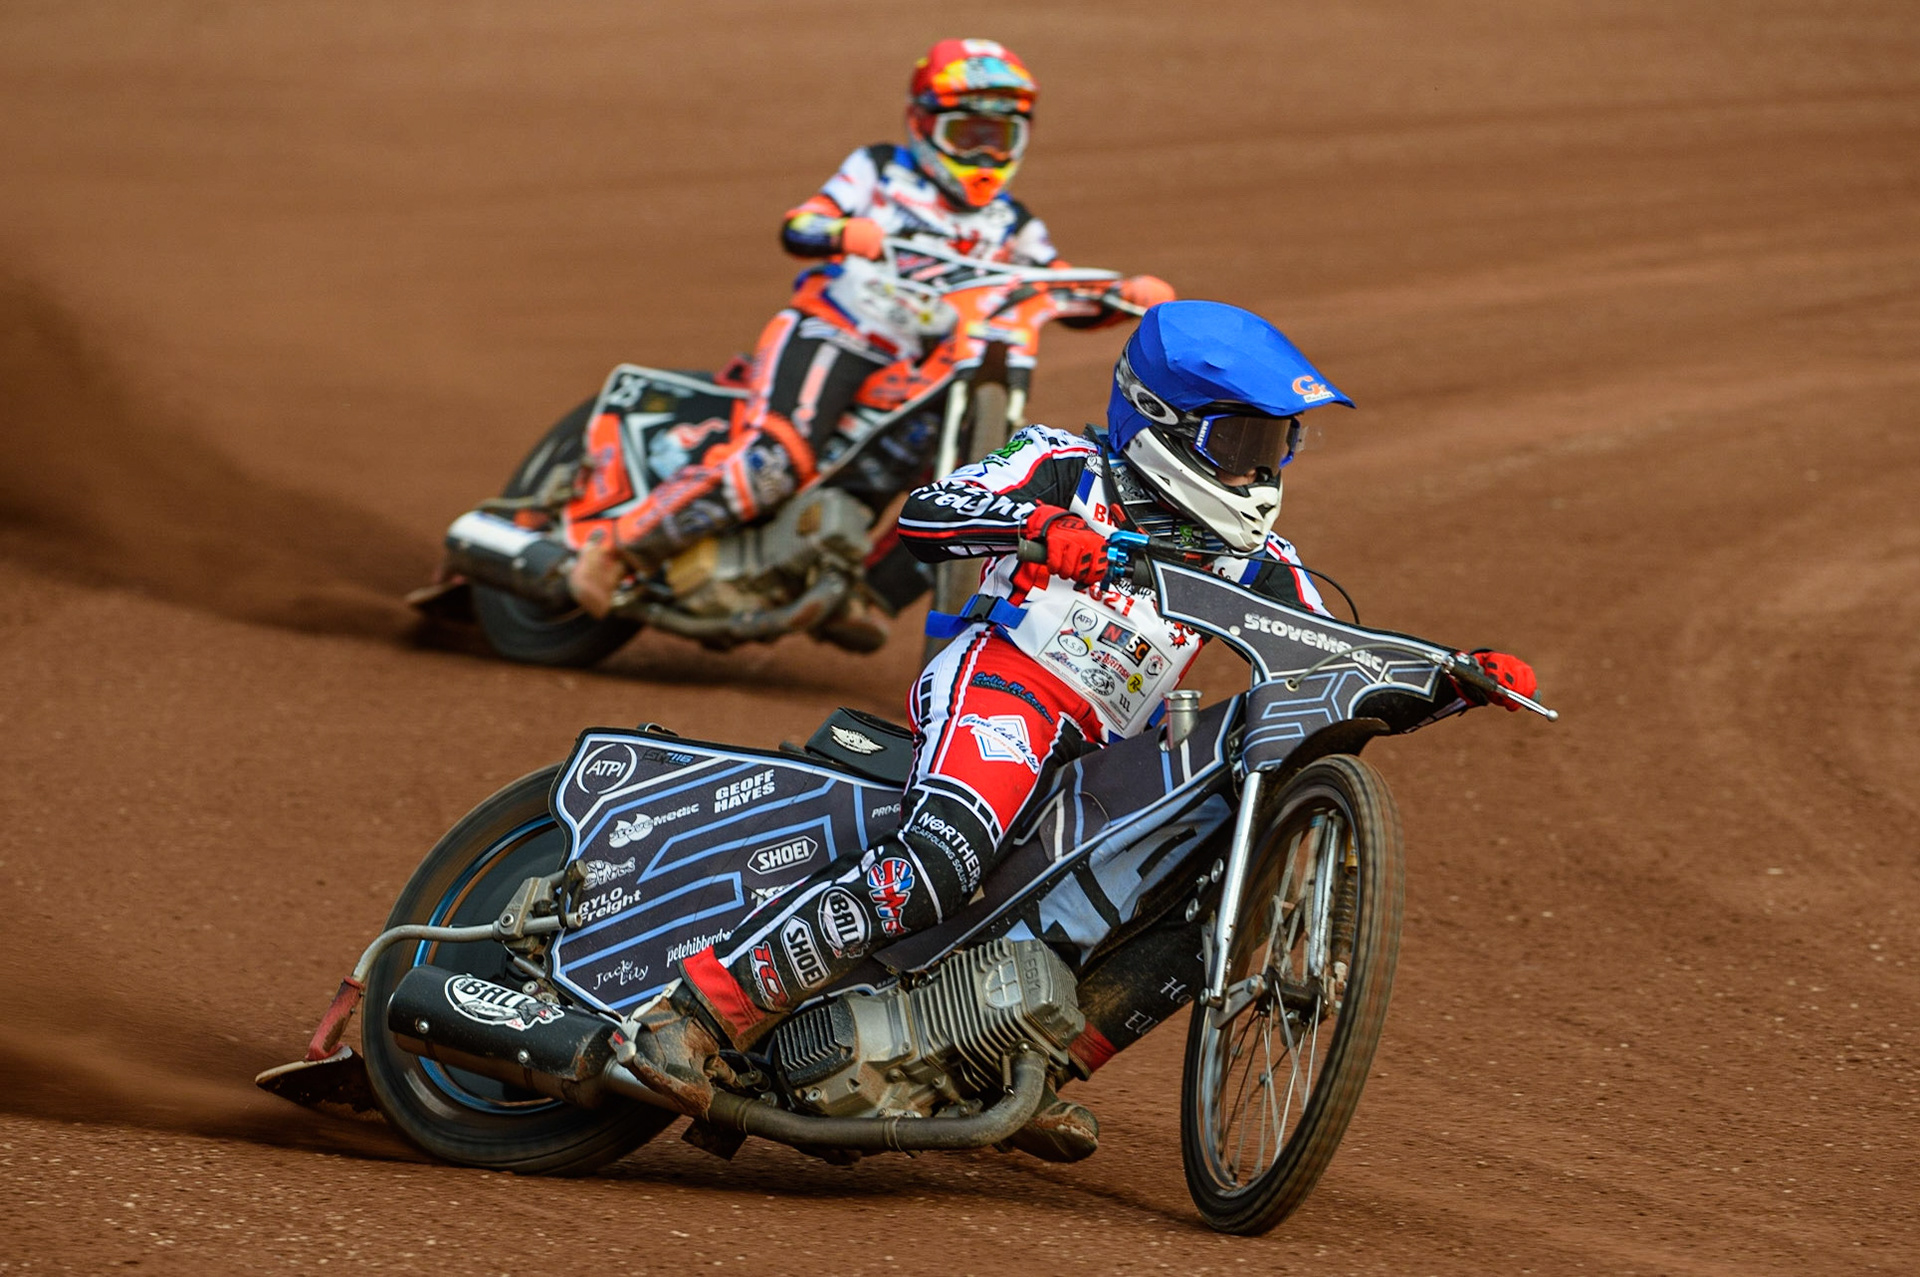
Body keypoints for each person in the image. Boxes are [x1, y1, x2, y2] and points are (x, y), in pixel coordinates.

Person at [616, 300, 1539, 1159]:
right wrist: (1035, 524)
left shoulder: (1260, 558)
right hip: (1005, 690)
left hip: (1107, 746)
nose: (1263, 469)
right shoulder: (1066, 462)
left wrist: (1454, 677)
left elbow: (1332, 656)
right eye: (1243, 439)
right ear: (1164, 422)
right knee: (944, 856)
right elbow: (926, 513)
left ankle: (1012, 1062)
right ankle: (697, 1015)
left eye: (1280, 443)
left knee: (1196, 895)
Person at [566, 38, 1176, 640]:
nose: (986, 153)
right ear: (924, 124)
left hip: (924, 364)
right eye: (969, 135)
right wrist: (842, 231)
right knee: (778, 459)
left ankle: (869, 599)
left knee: (951, 475)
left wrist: (1123, 295)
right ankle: (619, 550)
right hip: (838, 327)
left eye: (1001, 136)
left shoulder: (1010, 224)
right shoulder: (879, 170)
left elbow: (1052, 287)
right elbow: (801, 224)